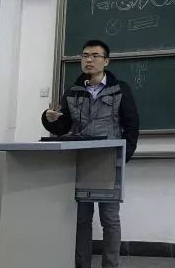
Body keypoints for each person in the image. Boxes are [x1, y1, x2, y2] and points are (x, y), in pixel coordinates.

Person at [42, 39, 139, 268]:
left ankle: (110, 265)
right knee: (81, 219)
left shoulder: (120, 89)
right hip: (80, 161)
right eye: (85, 55)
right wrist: (49, 119)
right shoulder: (73, 91)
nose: (89, 60)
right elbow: (62, 127)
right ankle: (81, 264)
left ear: (106, 61)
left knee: (110, 219)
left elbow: (132, 126)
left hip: (109, 160)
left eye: (95, 56)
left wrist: (122, 157)